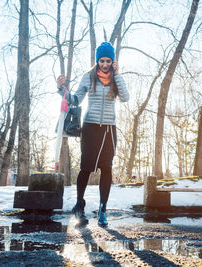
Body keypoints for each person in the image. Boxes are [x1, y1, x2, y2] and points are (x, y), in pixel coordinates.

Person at [56, 42, 129, 226]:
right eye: (102, 60)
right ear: (97, 61)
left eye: (108, 61)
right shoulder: (89, 77)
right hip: (90, 128)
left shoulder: (116, 79)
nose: (105, 64)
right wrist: (62, 89)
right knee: (86, 168)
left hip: (109, 130)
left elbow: (126, 97)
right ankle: (79, 205)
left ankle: (103, 210)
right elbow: (75, 99)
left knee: (107, 168)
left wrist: (118, 75)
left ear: (113, 61)